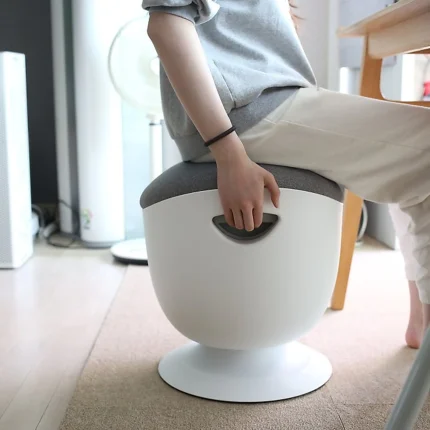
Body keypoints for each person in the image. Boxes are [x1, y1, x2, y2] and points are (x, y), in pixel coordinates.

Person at [142, 0, 430, 348]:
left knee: (408, 159)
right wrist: (228, 153)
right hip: (245, 112)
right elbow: (166, 24)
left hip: (262, 104)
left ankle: (421, 321)